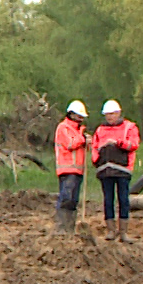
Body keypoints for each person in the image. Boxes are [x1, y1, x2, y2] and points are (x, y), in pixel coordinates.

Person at [90, 99, 141, 241]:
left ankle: (123, 231)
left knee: (123, 200)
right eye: (107, 115)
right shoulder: (100, 129)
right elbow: (95, 147)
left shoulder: (129, 127)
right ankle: (111, 230)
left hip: (122, 170)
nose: (109, 117)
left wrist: (118, 143)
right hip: (105, 170)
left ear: (118, 113)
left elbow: (134, 144)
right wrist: (96, 160)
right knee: (108, 199)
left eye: (112, 114)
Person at [52, 100, 90, 234]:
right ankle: (62, 227)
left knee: (73, 200)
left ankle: (70, 228)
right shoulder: (64, 128)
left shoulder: (79, 130)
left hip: (77, 170)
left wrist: (87, 142)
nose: (81, 119)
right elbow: (70, 144)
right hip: (67, 169)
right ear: (71, 114)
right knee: (66, 198)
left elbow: (81, 147)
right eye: (79, 116)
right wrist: (82, 138)